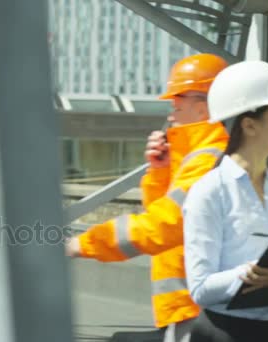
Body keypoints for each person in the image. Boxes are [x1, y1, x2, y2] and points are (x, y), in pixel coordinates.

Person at [65, 54, 230, 342]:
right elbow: (163, 211)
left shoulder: (209, 158)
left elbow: (164, 224)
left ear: (202, 108)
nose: (170, 115)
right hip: (191, 310)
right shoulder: (199, 155)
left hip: (200, 313)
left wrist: (82, 243)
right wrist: (161, 171)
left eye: (176, 105)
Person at [183, 60, 268, 342]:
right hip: (226, 333)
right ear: (250, 125)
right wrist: (250, 274)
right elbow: (200, 287)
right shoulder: (210, 191)